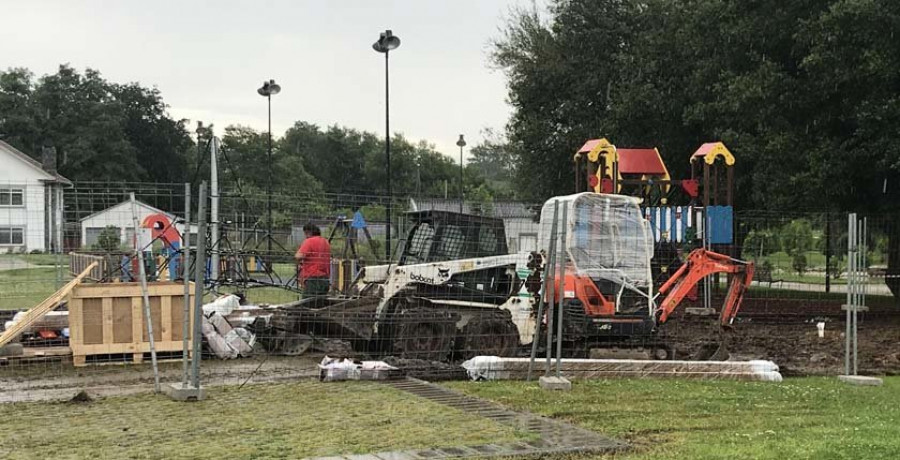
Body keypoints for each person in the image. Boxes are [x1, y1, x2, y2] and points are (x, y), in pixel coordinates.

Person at [295, 223, 331, 298]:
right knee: (320, 303)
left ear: (308, 232)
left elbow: (299, 256)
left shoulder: (309, 241)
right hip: (325, 278)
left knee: (307, 303)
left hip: (312, 279)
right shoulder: (325, 242)